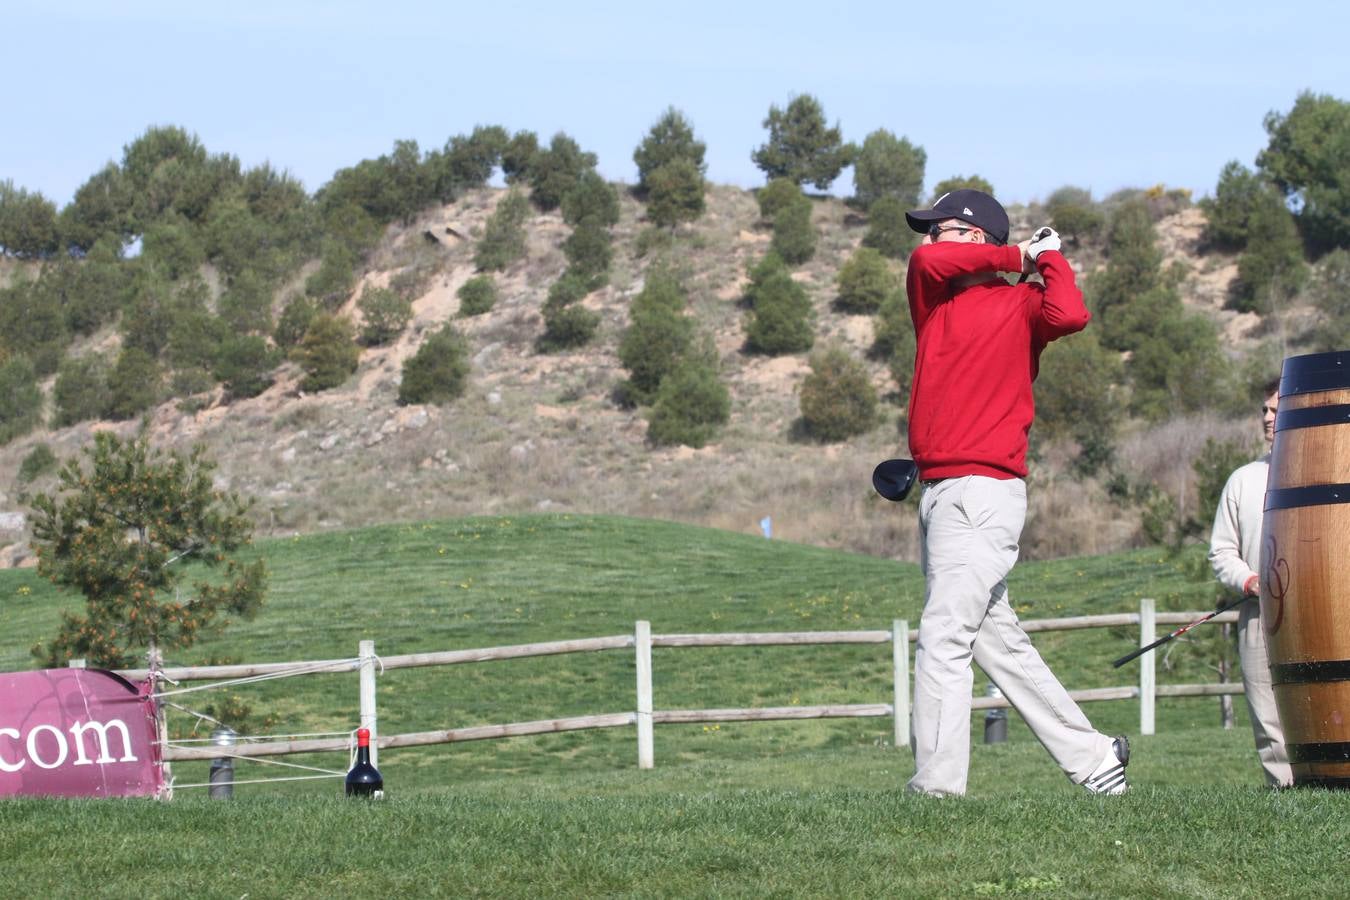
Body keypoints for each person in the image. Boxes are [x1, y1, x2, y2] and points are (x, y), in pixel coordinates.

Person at [900, 189, 1129, 796]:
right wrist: (1021, 251)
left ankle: (937, 792)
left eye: (939, 229)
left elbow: (1071, 314)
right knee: (996, 642)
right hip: (942, 495)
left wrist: (1049, 259)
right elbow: (925, 264)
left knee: (944, 638)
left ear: (972, 238)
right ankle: (1093, 756)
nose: (928, 241)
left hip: (981, 492)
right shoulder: (934, 298)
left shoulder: (1023, 304)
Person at [1207, 379, 1292, 787]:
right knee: (1267, 712)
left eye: (1276, 410)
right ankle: (1284, 789)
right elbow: (1221, 552)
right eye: (1263, 410)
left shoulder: (1333, 472)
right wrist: (1249, 580)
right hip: (1259, 616)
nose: (1267, 418)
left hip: (1324, 615)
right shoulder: (1242, 480)